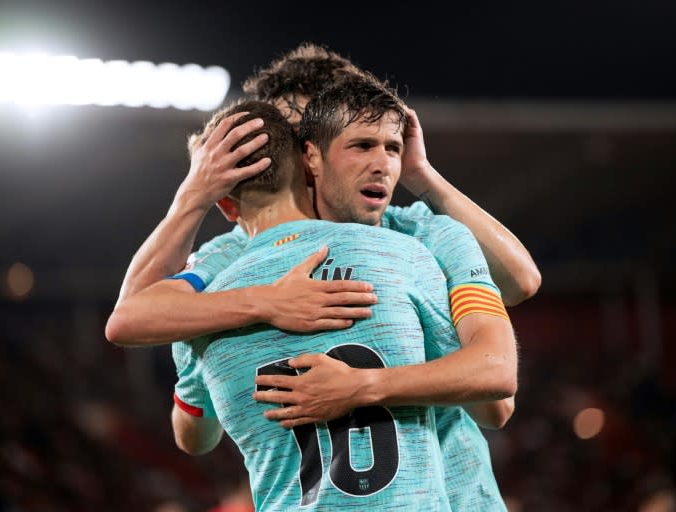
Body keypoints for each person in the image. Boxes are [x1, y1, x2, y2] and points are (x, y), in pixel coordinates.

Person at [106, 43, 533, 510]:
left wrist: (422, 175)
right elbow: (130, 317)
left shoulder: (413, 231)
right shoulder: (237, 254)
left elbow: (520, 288)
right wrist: (265, 296)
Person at [170, 92, 458, 510]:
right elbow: (490, 397)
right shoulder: (401, 254)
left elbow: (194, 439)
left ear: (226, 205)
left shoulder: (196, 312)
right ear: (307, 167)